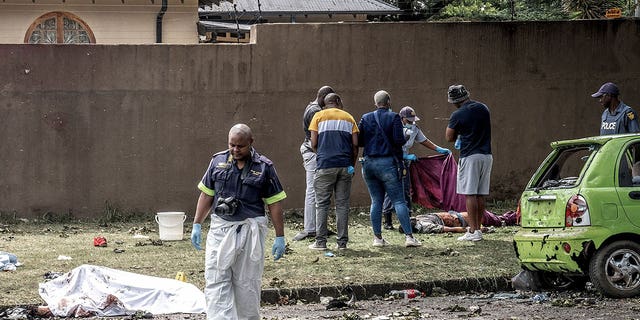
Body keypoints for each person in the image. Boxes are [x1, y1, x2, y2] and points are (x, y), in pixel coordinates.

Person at [190, 124, 287, 320]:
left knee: (246, 283)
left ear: (251, 143)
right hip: (221, 228)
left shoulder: (264, 167)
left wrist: (280, 236)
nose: (235, 150)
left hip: (249, 231)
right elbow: (206, 195)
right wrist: (197, 224)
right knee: (216, 279)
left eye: (240, 146)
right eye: (232, 145)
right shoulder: (217, 161)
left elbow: (275, 204)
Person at [358, 90, 422, 247]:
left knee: (376, 201)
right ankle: (409, 237)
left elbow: (359, 141)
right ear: (389, 102)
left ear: (375, 103)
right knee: (399, 200)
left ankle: (378, 239)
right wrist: (406, 137)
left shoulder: (365, 118)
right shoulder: (393, 117)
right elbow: (399, 140)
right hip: (387, 164)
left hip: (369, 164)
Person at [382, 106, 451, 230]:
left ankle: (407, 219)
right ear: (402, 119)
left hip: (405, 163)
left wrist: (438, 149)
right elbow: (388, 147)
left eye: (412, 120)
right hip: (392, 162)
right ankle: (387, 221)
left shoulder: (414, 128)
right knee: (391, 190)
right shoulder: (394, 127)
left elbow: (424, 140)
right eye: (409, 121)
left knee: (406, 190)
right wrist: (404, 155)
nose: (411, 123)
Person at [307, 93, 359, 250]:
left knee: (322, 204)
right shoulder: (349, 118)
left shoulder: (318, 117)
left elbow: (313, 142)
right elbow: (355, 145)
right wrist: (352, 164)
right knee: (342, 204)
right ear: (337, 102)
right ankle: (342, 243)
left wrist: (322, 155)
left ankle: (321, 242)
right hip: (345, 166)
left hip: (325, 165)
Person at [445, 84, 492, 242]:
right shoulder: (483, 108)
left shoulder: (458, 114)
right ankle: (478, 228)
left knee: (470, 193)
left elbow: (449, 137)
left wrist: (459, 131)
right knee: (480, 194)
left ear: (454, 101)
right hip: (486, 155)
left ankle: (473, 231)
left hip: (470, 155)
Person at [293, 85, 335, 242]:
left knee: (317, 191)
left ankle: (317, 227)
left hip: (312, 151)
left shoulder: (312, 107)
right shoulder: (315, 111)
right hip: (313, 153)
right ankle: (310, 228)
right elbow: (317, 136)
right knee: (312, 191)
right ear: (324, 97)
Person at [402, 210, 519, 234]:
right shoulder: (424, 226)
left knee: (488, 217)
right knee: (492, 219)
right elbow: (450, 229)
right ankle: (511, 218)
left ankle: (509, 217)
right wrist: (470, 230)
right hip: (460, 220)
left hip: (456, 216)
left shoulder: (418, 218)